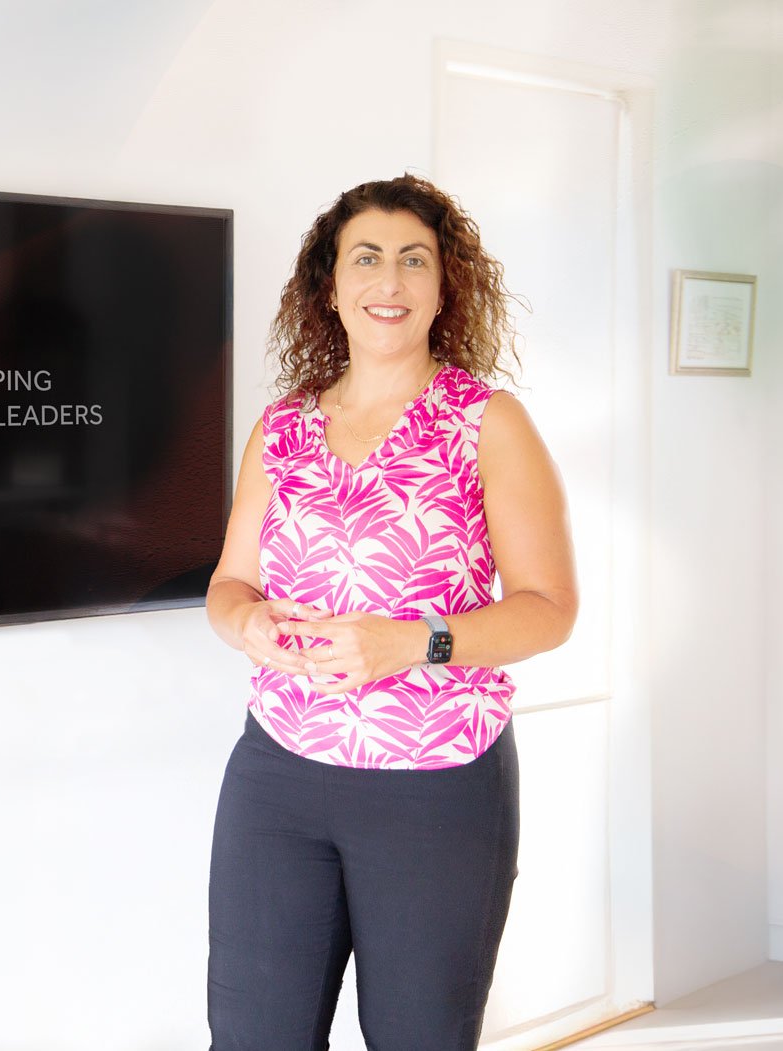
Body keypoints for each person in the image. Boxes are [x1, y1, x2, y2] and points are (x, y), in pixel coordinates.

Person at [204, 174, 578, 1050]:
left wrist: (413, 642)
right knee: (253, 1036)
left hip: (437, 783)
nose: (391, 280)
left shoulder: (488, 423)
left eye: (416, 261)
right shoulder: (282, 428)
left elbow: (550, 608)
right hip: (278, 773)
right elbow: (228, 586)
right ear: (330, 287)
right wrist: (248, 623)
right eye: (366, 258)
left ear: (445, 288)